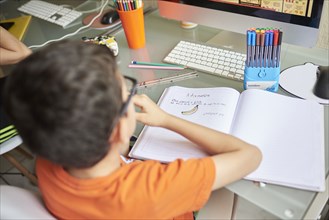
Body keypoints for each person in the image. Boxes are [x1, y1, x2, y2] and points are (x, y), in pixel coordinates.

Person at [3, 40, 262, 219]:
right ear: (117, 131)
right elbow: (250, 156)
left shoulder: (47, 158)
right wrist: (168, 120)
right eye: (127, 93)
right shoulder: (153, 188)